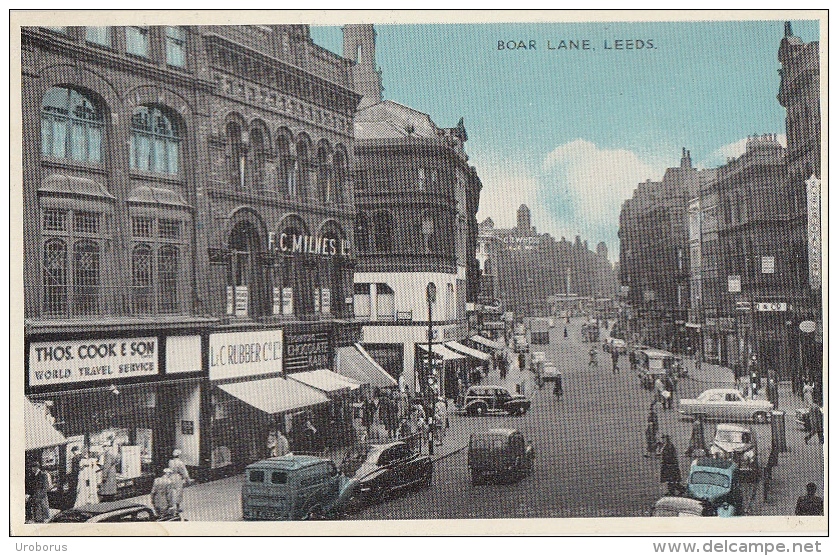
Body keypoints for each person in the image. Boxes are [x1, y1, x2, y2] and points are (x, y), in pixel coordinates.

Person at [168, 449, 192, 513]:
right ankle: (177, 507)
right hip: (177, 477)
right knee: (179, 492)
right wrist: (187, 480)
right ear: (179, 455)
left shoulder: (170, 461)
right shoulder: (180, 463)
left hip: (171, 477)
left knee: (172, 491)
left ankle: (170, 506)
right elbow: (184, 472)